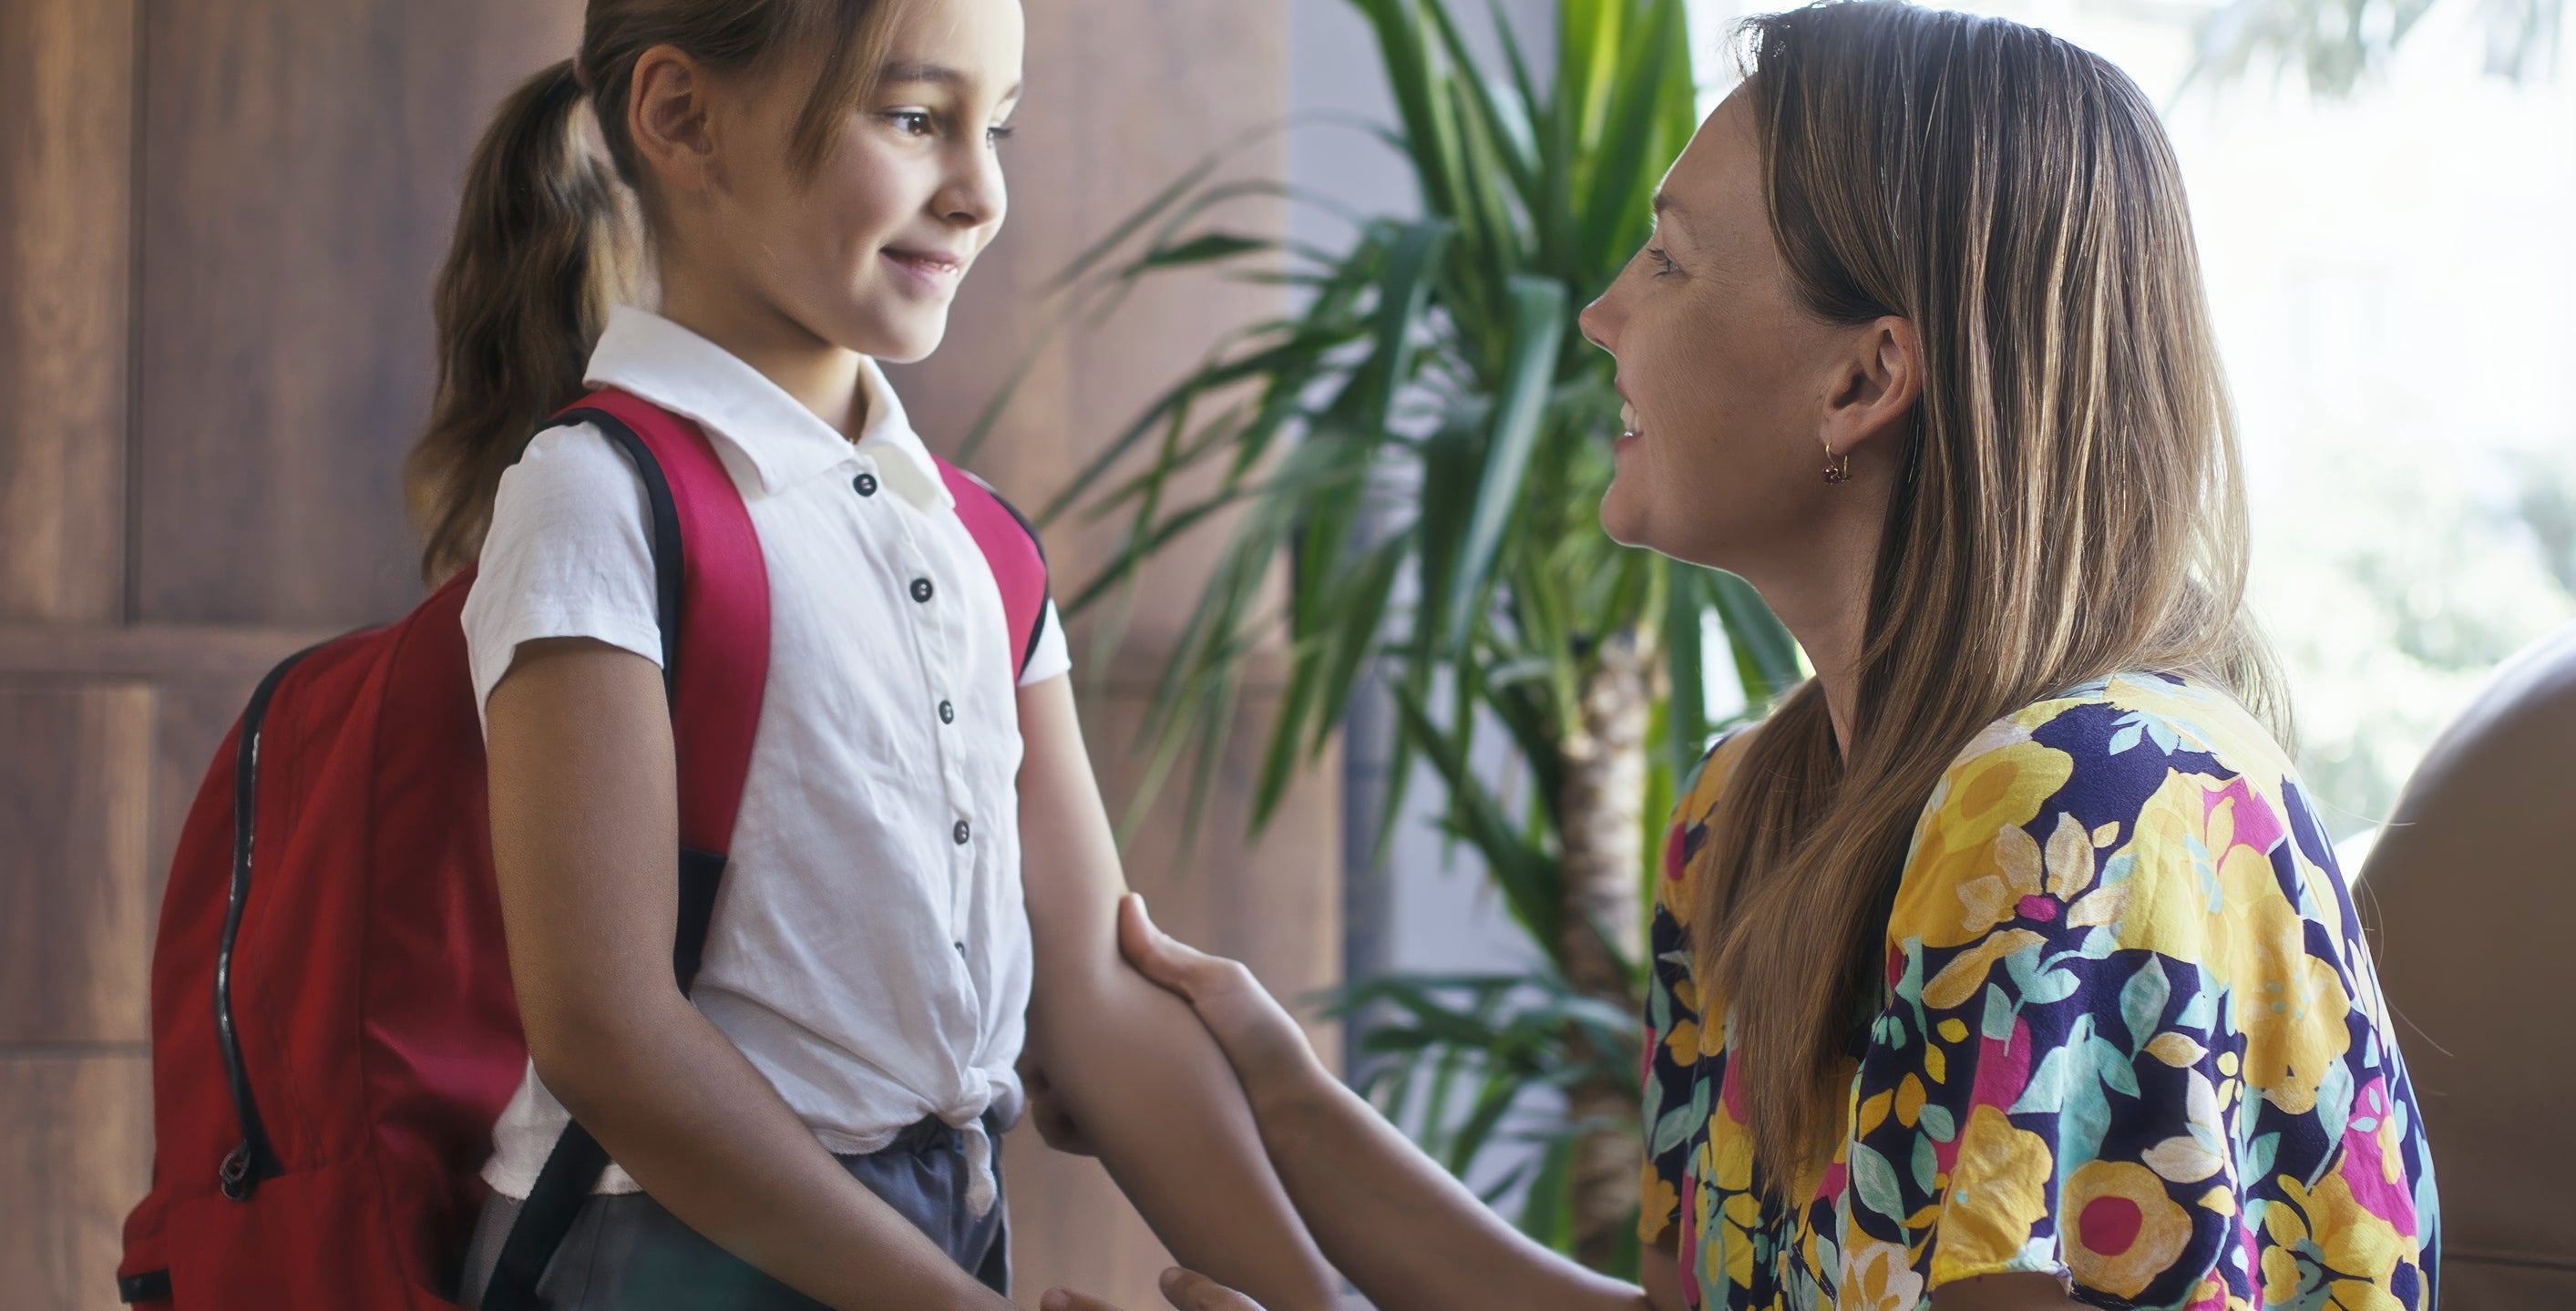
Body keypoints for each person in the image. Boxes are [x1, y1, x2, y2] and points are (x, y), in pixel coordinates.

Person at [1027, 5, 2437, 1309]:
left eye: (1668, 259)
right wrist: (1286, 1099)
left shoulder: (2084, 800)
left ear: (1863, 381)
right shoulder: (1745, 811)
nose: (1599, 314)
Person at [404, 1, 1339, 1307]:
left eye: (997, 127)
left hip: (931, 1236)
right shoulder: (599, 499)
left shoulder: (981, 547)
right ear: (682, 117)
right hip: (667, 1257)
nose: (979, 193)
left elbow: (1096, 1002)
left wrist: (1316, 1300)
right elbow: (609, 1035)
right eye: (914, 119)